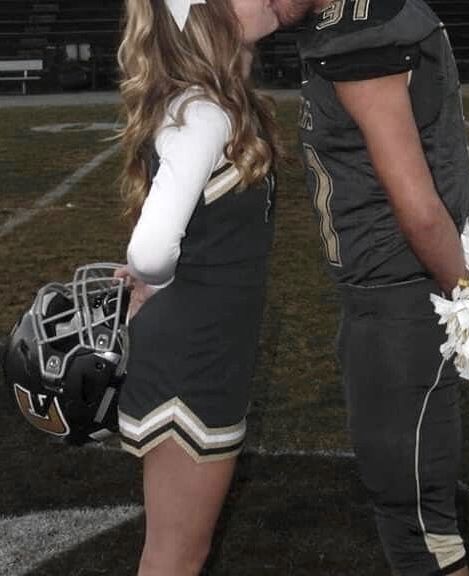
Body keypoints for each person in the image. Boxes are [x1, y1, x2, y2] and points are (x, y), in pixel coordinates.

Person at [271, 1, 469, 575]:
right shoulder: (358, 16)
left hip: (398, 299)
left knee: (419, 530)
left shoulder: (360, 35)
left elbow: (419, 209)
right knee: (419, 520)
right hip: (393, 293)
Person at [114, 1, 280, 574]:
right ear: (208, 18)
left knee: (180, 551)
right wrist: (152, 282)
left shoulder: (208, 106)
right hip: (191, 361)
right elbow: (151, 247)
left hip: (202, 351)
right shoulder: (204, 113)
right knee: (176, 556)